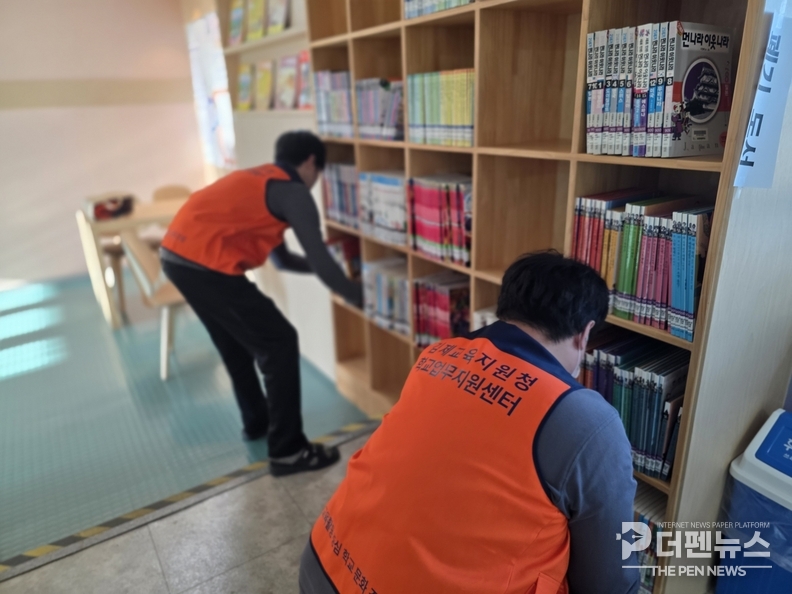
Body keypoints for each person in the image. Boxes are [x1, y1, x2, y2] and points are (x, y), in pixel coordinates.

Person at [299, 251, 640, 594]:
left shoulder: (436, 355)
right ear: (585, 333)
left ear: (506, 308)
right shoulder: (587, 421)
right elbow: (611, 582)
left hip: (323, 560)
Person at [160, 130, 361, 477]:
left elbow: (285, 261)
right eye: (319, 173)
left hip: (176, 255)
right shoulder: (294, 192)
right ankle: (288, 451)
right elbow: (321, 260)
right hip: (204, 264)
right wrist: (362, 296)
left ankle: (257, 423)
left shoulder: (261, 182)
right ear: (311, 162)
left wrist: (335, 276)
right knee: (279, 342)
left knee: (235, 344)